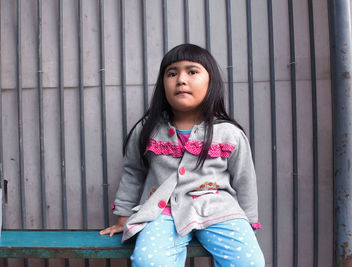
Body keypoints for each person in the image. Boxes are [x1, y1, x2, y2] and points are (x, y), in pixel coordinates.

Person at [100, 43, 265, 267]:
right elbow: (133, 172)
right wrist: (123, 215)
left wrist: (249, 222)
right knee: (148, 261)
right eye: (172, 73)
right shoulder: (148, 129)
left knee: (249, 262)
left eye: (192, 71)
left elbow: (245, 179)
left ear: (211, 81)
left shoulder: (229, 133)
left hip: (220, 210)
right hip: (163, 210)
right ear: (163, 84)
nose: (181, 80)